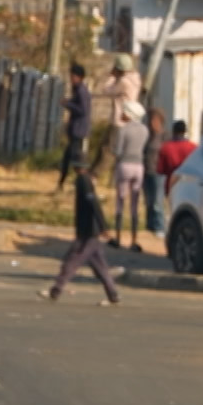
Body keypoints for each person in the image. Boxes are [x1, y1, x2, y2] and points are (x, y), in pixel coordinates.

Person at [41, 163, 120, 305]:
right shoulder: (85, 179)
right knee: (99, 266)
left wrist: (104, 227)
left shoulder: (83, 180)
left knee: (72, 260)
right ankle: (113, 295)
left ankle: (56, 290)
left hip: (88, 232)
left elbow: (93, 203)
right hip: (90, 231)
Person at [109, 99, 149, 251]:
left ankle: (118, 238)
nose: (122, 114)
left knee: (120, 201)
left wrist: (114, 152)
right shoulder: (145, 130)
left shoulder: (123, 130)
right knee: (134, 204)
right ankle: (134, 240)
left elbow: (118, 151)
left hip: (125, 165)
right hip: (139, 167)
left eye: (124, 112)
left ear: (130, 114)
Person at [57, 63, 92, 190]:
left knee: (75, 159)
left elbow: (83, 110)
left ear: (80, 77)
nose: (71, 79)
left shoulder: (82, 91)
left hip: (79, 130)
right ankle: (64, 183)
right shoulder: (77, 90)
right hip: (75, 130)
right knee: (71, 158)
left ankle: (82, 184)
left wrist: (68, 104)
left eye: (73, 76)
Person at [93, 54, 141, 128]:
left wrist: (112, 77)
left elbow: (106, 91)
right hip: (131, 117)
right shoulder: (136, 78)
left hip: (121, 119)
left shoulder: (124, 81)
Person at [154, 119, 196, 199]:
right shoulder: (193, 147)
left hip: (172, 186)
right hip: (189, 186)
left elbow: (160, 170)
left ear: (173, 131)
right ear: (185, 131)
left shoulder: (166, 147)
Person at [143, 108, 168, 237]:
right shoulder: (147, 135)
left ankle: (160, 226)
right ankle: (150, 225)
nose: (151, 123)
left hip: (159, 172)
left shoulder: (165, 136)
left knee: (157, 201)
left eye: (153, 120)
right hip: (146, 171)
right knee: (148, 200)